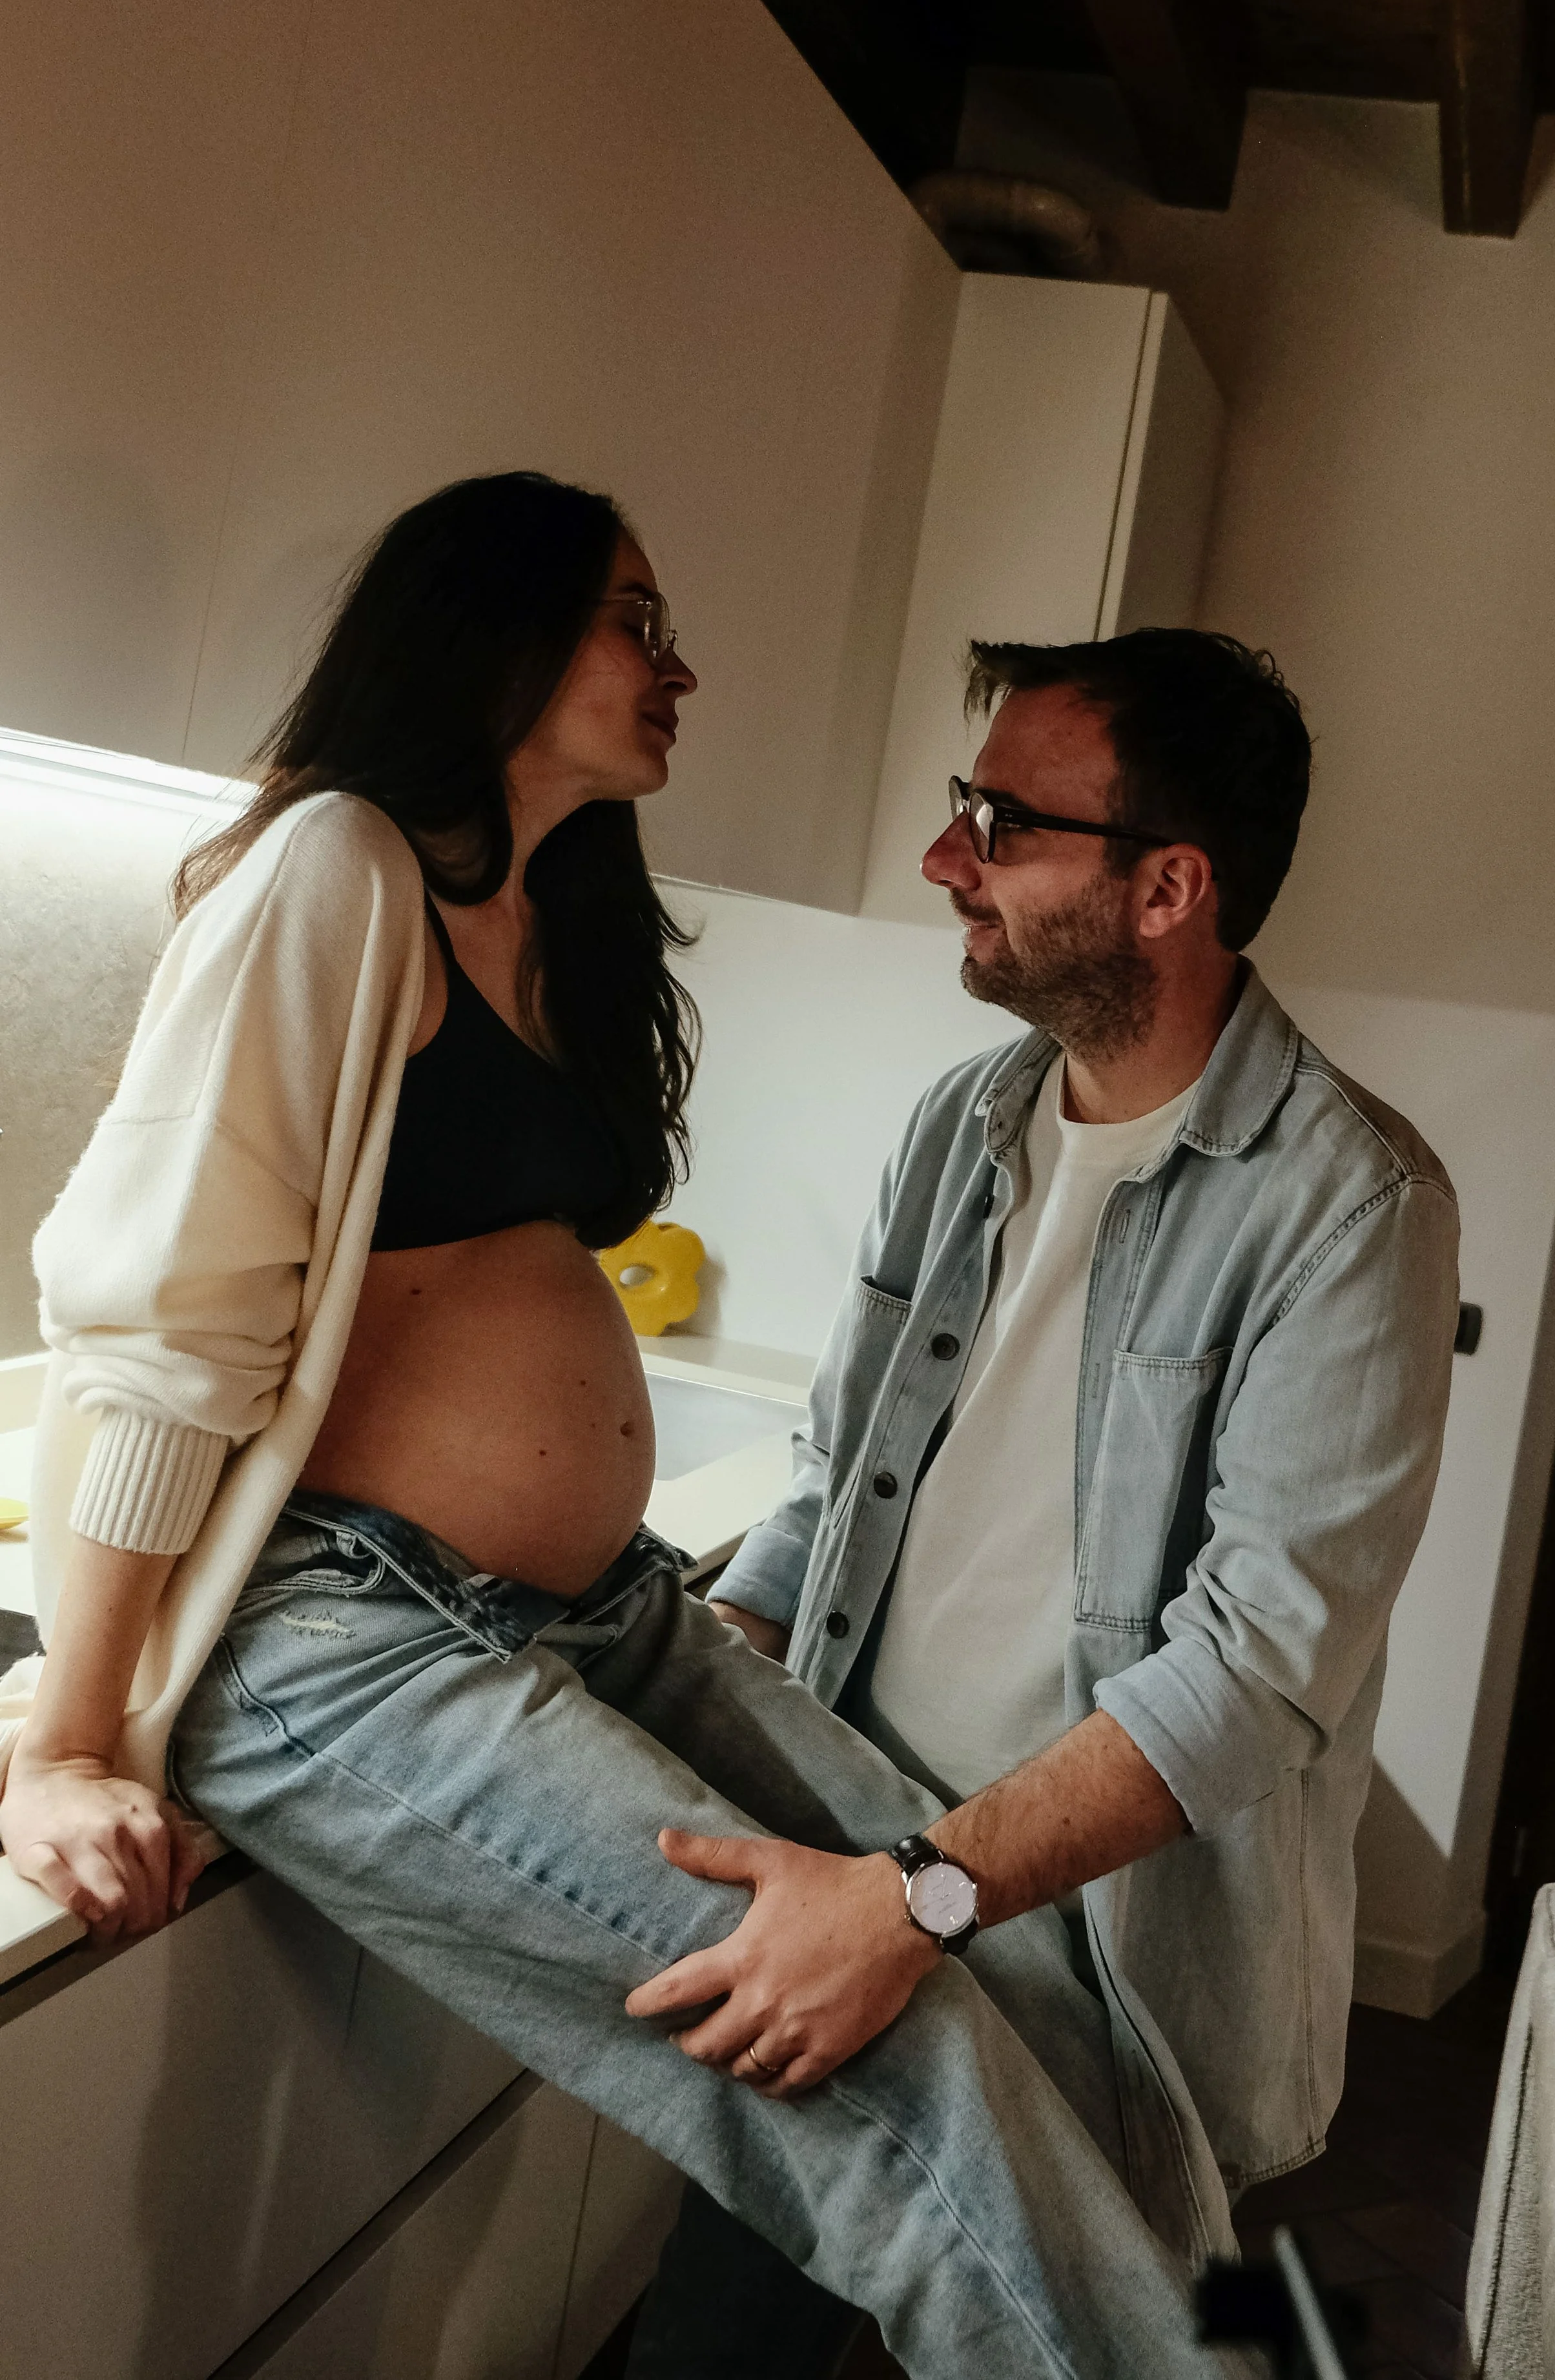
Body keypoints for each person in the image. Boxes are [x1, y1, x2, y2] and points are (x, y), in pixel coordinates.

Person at [0, 475, 1243, 2380]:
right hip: (347, 1642)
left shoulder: (553, 912)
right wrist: (73, 1740)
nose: (683, 669)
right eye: (635, 622)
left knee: (1022, 1977)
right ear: (495, 628)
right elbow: (165, 1325)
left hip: (603, 1616)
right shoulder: (336, 869)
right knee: (888, 2068)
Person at [626, 628, 1461, 2377]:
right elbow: (833, 1481)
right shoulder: (960, 1124)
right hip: (848, 1856)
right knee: (714, 2339)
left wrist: (920, 1895)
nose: (947, 859)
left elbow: (1252, 1666)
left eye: (1000, 820)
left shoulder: (1355, 1205)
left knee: (1165, 2333)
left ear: (1167, 885)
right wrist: (717, 1650)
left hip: (1109, 1958)